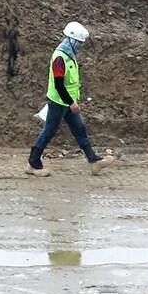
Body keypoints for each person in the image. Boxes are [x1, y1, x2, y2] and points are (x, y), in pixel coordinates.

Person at [27, 21, 115, 177]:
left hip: (66, 102)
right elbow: (59, 85)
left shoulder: (68, 55)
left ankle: (93, 160)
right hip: (58, 102)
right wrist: (71, 102)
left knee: (79, 129)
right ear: (71, 40)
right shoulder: (60, 58)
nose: (80, 46)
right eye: (79, 43)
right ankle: (33, 163)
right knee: (49, 130)